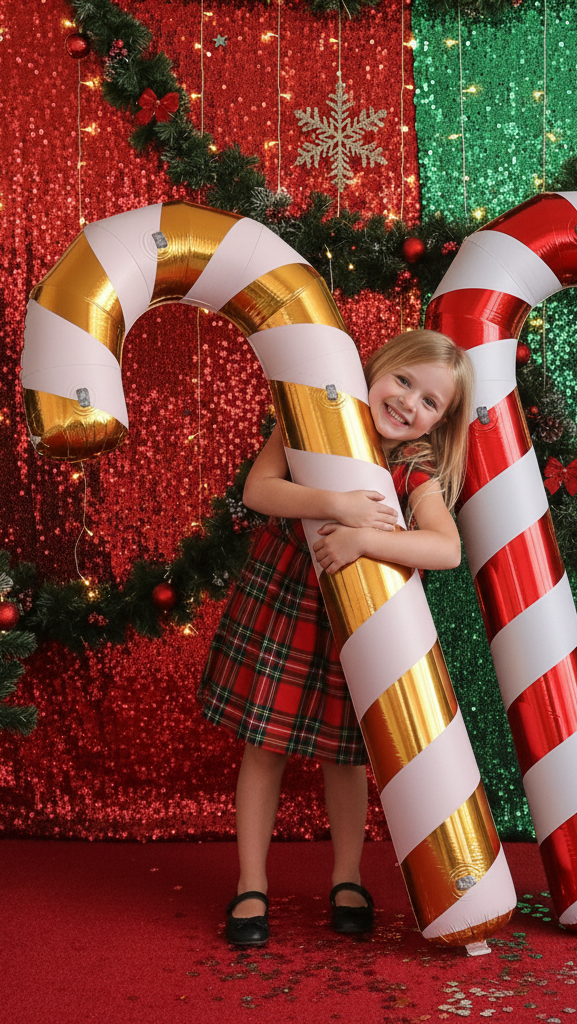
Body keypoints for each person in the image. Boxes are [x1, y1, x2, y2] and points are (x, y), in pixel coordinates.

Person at [198, 328, 475, 947]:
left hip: (359, 623)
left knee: (345, 755)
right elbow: (259, 489)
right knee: (263, 746)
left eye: (430, 402)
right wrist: (336, 505)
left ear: (439, 423)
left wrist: (365, 537)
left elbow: (446, 549)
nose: (409, 403)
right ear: (376, 367)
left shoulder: (413, 468)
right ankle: (251, 882)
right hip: (287, 601)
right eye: (404, 381)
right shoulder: (311, 417)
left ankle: (347, 878)